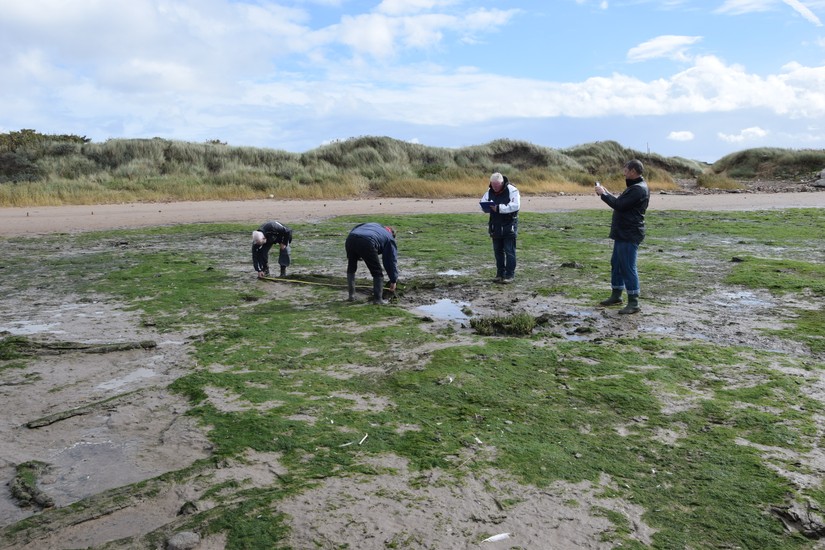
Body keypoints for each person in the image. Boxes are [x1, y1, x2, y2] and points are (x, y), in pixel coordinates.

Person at [595, 159, 650, 314]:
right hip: (624, 233)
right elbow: (622, 202)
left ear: (633, 171)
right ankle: (616, 295)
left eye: (625, 170)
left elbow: (619, 205)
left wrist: (603, 195)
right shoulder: (636, 187)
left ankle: (634, 302)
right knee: (617, 264)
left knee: (627, 267)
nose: (623, 173)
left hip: (629, 233)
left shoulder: (638, 189)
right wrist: (606, 193)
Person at [481, 172, 520, 283]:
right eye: (493, 185)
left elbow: (515, 206)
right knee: (497, 251)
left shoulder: (512, 190)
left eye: (496, 186)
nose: (494, 188)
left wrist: (498, 208)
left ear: (502, 183)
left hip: (509, 225)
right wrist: (485, 208)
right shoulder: (489, 191)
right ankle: (499, 274)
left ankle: (509, 276)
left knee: (509, 251)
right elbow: (483, 202)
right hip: (495, 225)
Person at [345, 222, 398, 304]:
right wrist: (393, 280)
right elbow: (390, 261)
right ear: (392, 234)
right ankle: (378, 300)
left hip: (351, 238)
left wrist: (358, 252)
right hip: (368, 241)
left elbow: (356, 228)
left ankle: (351, 296)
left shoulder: (375, 225)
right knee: (377, 272)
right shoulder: (389, 238)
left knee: (351, 267)